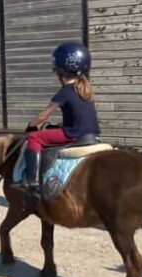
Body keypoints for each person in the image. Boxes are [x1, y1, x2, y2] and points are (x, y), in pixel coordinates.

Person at [19, 42, 100, 203]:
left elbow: (43, 116)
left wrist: (32, 123)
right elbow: (79, 115)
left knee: (34, 138)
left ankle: (33, 183)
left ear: (60, 69)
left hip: (74, 134)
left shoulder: (65, 91)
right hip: (92, 134)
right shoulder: (84, 89)